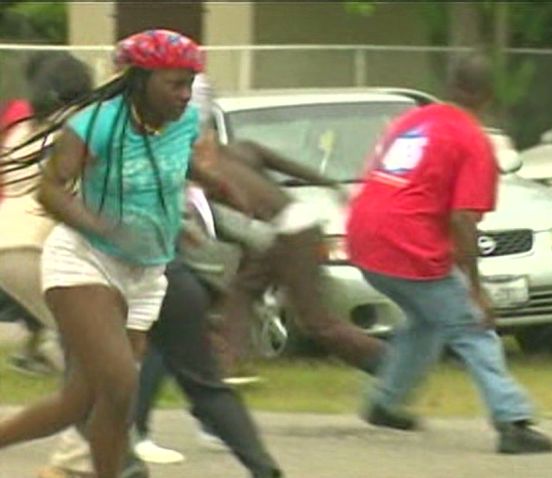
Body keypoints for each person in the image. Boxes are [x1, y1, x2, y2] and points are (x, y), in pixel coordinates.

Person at [0, 29, 244, 478]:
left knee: (83, 398)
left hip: (146, 273)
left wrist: (212, 184)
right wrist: (99, 225)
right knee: (119, 381)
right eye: (174, 83)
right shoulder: (95, 124)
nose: (185, 94)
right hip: (84, 260)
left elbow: (172, 159)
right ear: (139, 79)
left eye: (190, 84)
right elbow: (51, 188)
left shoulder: (183, 122)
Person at [345, 53, 552, 454]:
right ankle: (512, 422)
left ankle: (385, 402)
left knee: (427, 322)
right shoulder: (472, 140)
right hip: (408, 242)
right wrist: (477, 290)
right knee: (471, 326)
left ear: (450, 87)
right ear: (488, 96)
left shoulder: (413, 121)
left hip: (362, 234)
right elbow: (463, 220)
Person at [193, 136, 388, 375]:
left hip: (288, 235)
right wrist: (331, 184)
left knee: (314, 321)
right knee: (241, 291)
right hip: (296, 225)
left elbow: (234, 217)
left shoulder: (211, 173)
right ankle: (228, 365)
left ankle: (386, 360)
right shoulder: (243, 150)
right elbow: (289, 166)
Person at [0, 51, 93, 376]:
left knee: (78, 337)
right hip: (34, 246)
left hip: (8, 242)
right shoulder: (70, 133)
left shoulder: (23, 130)